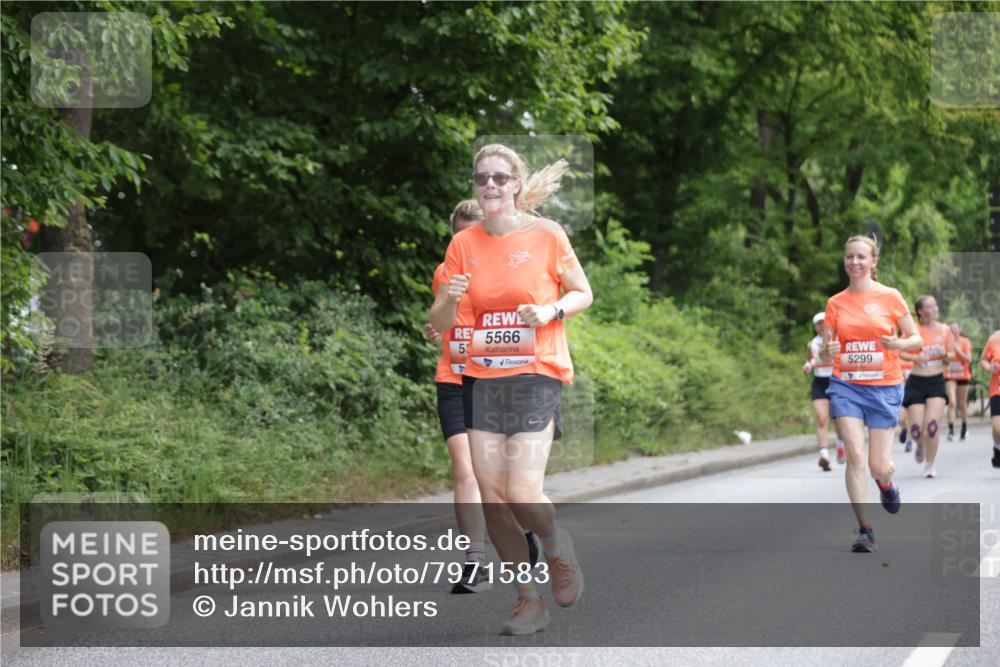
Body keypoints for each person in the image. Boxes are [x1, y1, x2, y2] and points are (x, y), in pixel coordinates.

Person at [429, 144, 592, 635]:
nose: (492, 185)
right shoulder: (464, 245)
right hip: (482, 379)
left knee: (522, 491)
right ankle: (528, 600)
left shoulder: (546, 234)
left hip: (537, 370)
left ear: (517, 183)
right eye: (483, 178)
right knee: (493, 499)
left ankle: (558, 547)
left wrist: (550, 312)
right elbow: (438, 324)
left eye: (501, 177)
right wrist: (447, 301)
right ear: (475, 187)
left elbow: (583, 291)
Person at [425, 200, 538, 594]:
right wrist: (436, 324)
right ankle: (475, 561)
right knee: (465, 468)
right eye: (459, 233)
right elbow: (439, 316)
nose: (465, 241)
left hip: (502, 382)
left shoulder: (514, 269)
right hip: (455, 378)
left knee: (503, 478)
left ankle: (522, 530)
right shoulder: (446, 271)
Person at [820, 235, 921, 553]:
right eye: (849, 256)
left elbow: (915, 338)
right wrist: (829, 348)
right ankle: (865, 529)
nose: (854, 262)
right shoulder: (835, 303)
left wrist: (898, 345)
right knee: (855, 454)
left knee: (878, 465)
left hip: (884, 387)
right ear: (844, 261)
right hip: (846, 384)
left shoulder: (890, 297)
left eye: (861, 257)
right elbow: (826, 352)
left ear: (873, 262)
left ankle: (886, 483)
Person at [899, 295, 953, 478]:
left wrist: (945, 353)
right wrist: (916, 358)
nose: (935, 309)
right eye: (930, 306)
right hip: (916, 381)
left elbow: (953, 356)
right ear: (921, 311)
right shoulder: (913, 330)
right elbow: (899, 353)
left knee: (931, 426)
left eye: (935, 305)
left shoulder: (945, 330)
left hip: (936, 381)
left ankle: (930, 464)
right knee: (915, 429)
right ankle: (920, 444)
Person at [802, 312, 845, 470]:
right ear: (815, 327)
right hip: (819, 383)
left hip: (836, 381)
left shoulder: (837, 341)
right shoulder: (811, 344)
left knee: (838, 419)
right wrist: (807, 365)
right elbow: (809, 358)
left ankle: (841, 443)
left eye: (824, 323)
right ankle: (824, 455)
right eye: (818, 324)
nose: (821, 327)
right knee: (821, 418)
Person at [944, 322, 973, 441]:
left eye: (955, 328)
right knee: (952, 402)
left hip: (963, 376)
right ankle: (951, 430)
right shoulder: (946, 342)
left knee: (962, 404)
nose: (953, 331)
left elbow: (968, 359)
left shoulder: (965, 341)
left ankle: (964, 428)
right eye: (951, 329)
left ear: (959, 329)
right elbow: (944, 358)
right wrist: (947, 356)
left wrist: (958, 351)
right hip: (950, 375)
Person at [979, 329, 1000, 468]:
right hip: (997, 389)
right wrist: (990, 367)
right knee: (997, 428)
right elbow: (983, 359)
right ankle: (997, 446)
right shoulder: (995, 338)